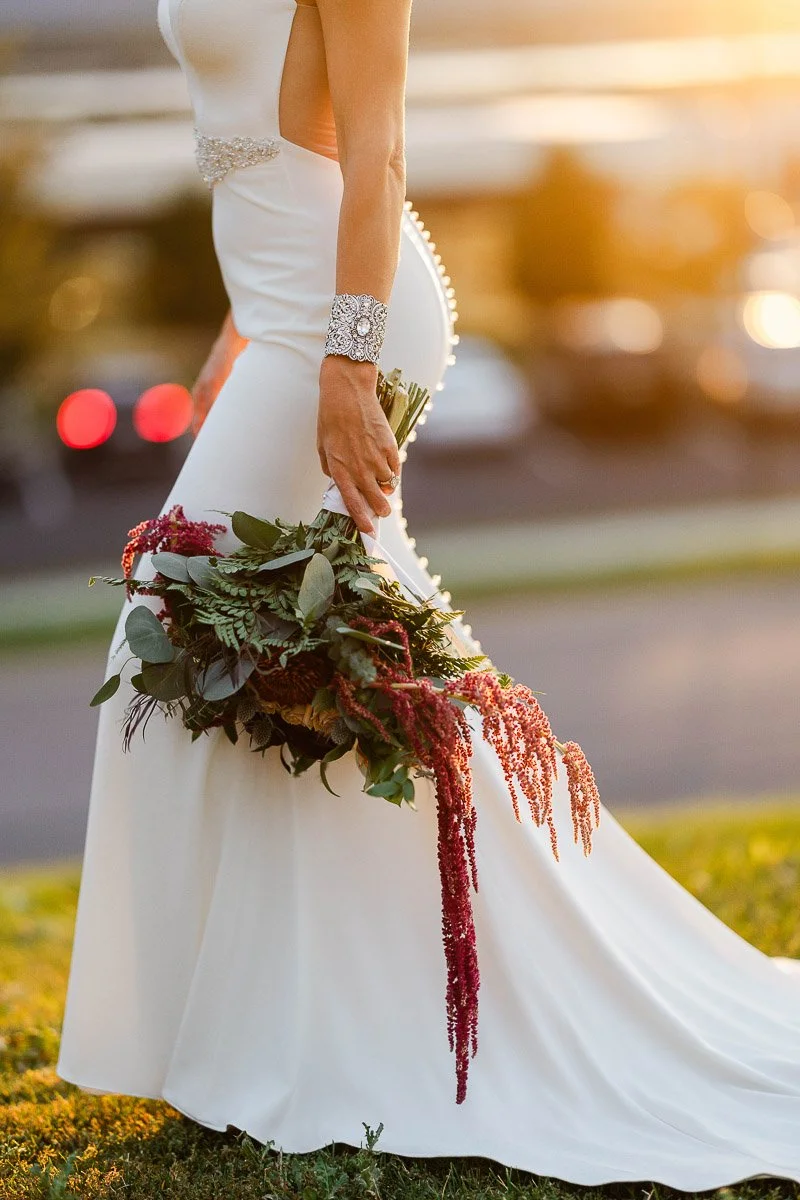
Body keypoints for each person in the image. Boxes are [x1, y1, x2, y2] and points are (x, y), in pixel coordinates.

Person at [56, 0, 800, 1189]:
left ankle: (357, 1025)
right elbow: (253, 140)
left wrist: (343, 360)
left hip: (350, 316)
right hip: (282, 302)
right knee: (317, 656)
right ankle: (301, 1014)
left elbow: (376, 146)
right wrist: (236, 324)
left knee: (185, 601)